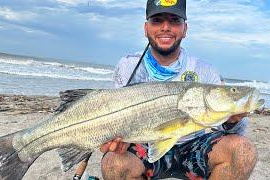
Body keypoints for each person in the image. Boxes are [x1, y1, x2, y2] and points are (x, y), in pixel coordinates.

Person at [100, 0, 257, 179]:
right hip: (145, 145)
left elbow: (235, 133)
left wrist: (232, 121)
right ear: (146, 28)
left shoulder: (205, 71)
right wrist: (120, 140)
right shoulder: (128, 65)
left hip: (193, 146)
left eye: (174, 20)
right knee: (113, 161)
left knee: (243, 150)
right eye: (157, 20)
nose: (165, 27)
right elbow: (117, 117)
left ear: (185, 29)